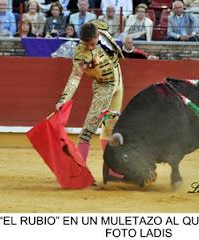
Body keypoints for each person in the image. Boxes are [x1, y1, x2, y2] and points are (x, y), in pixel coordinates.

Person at [55, 20, 124, 181]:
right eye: (88, 45)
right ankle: (79, 173)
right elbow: (75, 77)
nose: (90, 48)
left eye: (93, 44)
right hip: (104, 86)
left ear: (98, 35)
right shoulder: (82, 53)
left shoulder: (99, 25)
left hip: (119, 78)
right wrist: (64, 99)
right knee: (87, 131)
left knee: (110, 129)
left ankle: (113, 171)